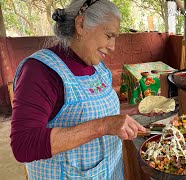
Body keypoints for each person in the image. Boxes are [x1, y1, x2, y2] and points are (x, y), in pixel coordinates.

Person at [10, 0, 146, 179]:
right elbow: (23, 145)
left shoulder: (98, 67)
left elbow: (98, 112)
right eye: (109, 35)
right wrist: (104, 126)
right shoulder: (40, 71)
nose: (113, 46)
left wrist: (136, 110)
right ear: (81, 25)